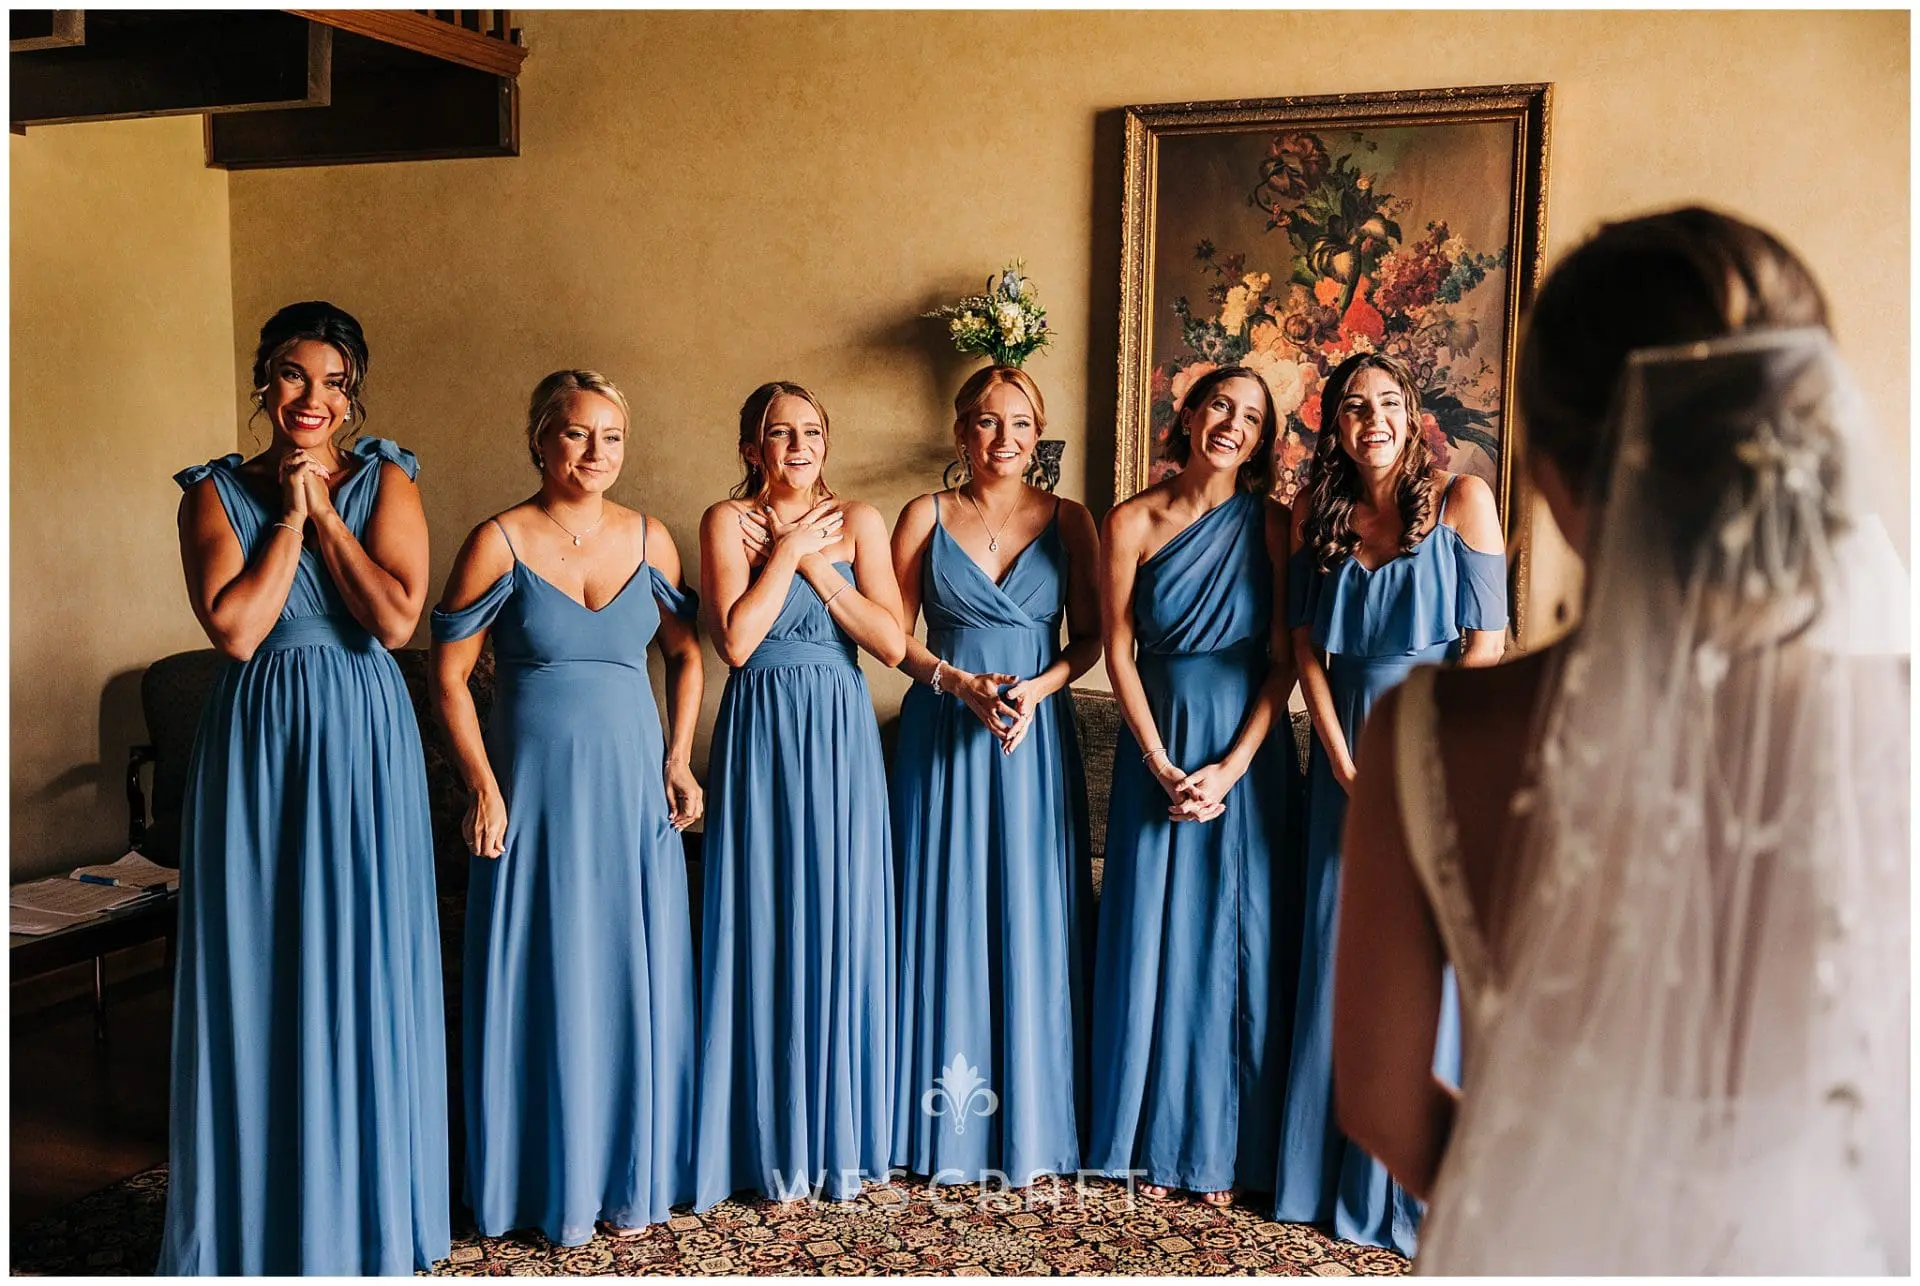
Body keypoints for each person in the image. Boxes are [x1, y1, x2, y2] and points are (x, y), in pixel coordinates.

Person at [1337, 207, 1910, 1273]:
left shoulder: (1428, 730)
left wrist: (1557, 1210)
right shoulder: (1898, 716)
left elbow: (1379, 1101)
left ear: (1553, 475)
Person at [160, 301, 447, 1274]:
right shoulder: (212, 494)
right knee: (257, 958)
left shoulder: (387, 481)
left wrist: (327, 514)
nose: (311, 397)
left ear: (353, 393)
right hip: (257, 744)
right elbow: (239, 629)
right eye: (292, 373)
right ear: (265, 382)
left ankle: (366, 1212)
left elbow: (394, 621)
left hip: (363, 739)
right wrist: (288, 514)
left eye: (332, 380)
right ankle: (259, 1218)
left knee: (364, 951)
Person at [431, 370, 704, 1245]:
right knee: (541, 972)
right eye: (578, 433)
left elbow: (686, 656)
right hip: (535, 796)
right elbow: (448, 677)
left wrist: (678, 760)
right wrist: (483, 786)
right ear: (541, 439)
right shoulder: (497, 540)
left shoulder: (653, 539)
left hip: (631, 790)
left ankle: (628, 1178)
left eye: (611, 436)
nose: (596, 451)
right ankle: (536, 1184)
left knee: (629, 973)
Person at [1272, 351, 1507, 1255]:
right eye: (1353, 407)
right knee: (1337, 955)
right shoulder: (1315, 511)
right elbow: (1305, 650)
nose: (1372, 420)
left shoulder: (1463, 501)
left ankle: (1413, 1183)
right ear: (1333, 425)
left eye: (1387, 404)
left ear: (1412, 415)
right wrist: (1339, 760)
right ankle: (1317, 1175)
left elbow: (1486, 647)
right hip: (1343, 760)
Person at [1086, 364, 1299, 1207]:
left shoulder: (1276, 526)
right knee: (1153, 939)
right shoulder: (1129, 520)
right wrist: (1157, 760)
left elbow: (1285, 660)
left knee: (1239, 945)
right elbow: (1118, 650)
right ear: (1191, 414)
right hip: (1159, 752)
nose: (1232, 424)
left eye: (1251, 417)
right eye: (1220, 405)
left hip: (1247, 756)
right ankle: (1151, 1142)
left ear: (1262, 439)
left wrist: (1234, 767)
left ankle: (1230, 1153)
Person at [692, 380, 908, 1207]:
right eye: (779, 433)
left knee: (841, 912)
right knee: (765, 912)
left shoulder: (861, 521)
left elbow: (891, 643)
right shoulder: (726, 521)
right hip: (762, 731)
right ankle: (764, 1140)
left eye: (811, 431)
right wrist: (782, 552)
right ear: (752, 448)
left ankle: (839, 1134)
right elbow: (738, 643)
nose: (798, 446)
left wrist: (812, 558)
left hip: (840, 733)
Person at [888, 366, 1103, 1188]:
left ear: (1038, 435)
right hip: (943, 729)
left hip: (1031, 740)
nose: (1002, 437)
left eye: (1018, 423)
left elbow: (1092, 640)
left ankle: (1034, 1124)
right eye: (985, 421)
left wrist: (1037, 691)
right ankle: (935, 1129)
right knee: (940, 909)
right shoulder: (923, 515)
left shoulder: (1071, 520)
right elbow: (892, 635)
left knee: (1030, 911)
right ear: (960, 432)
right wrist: (958, 684)